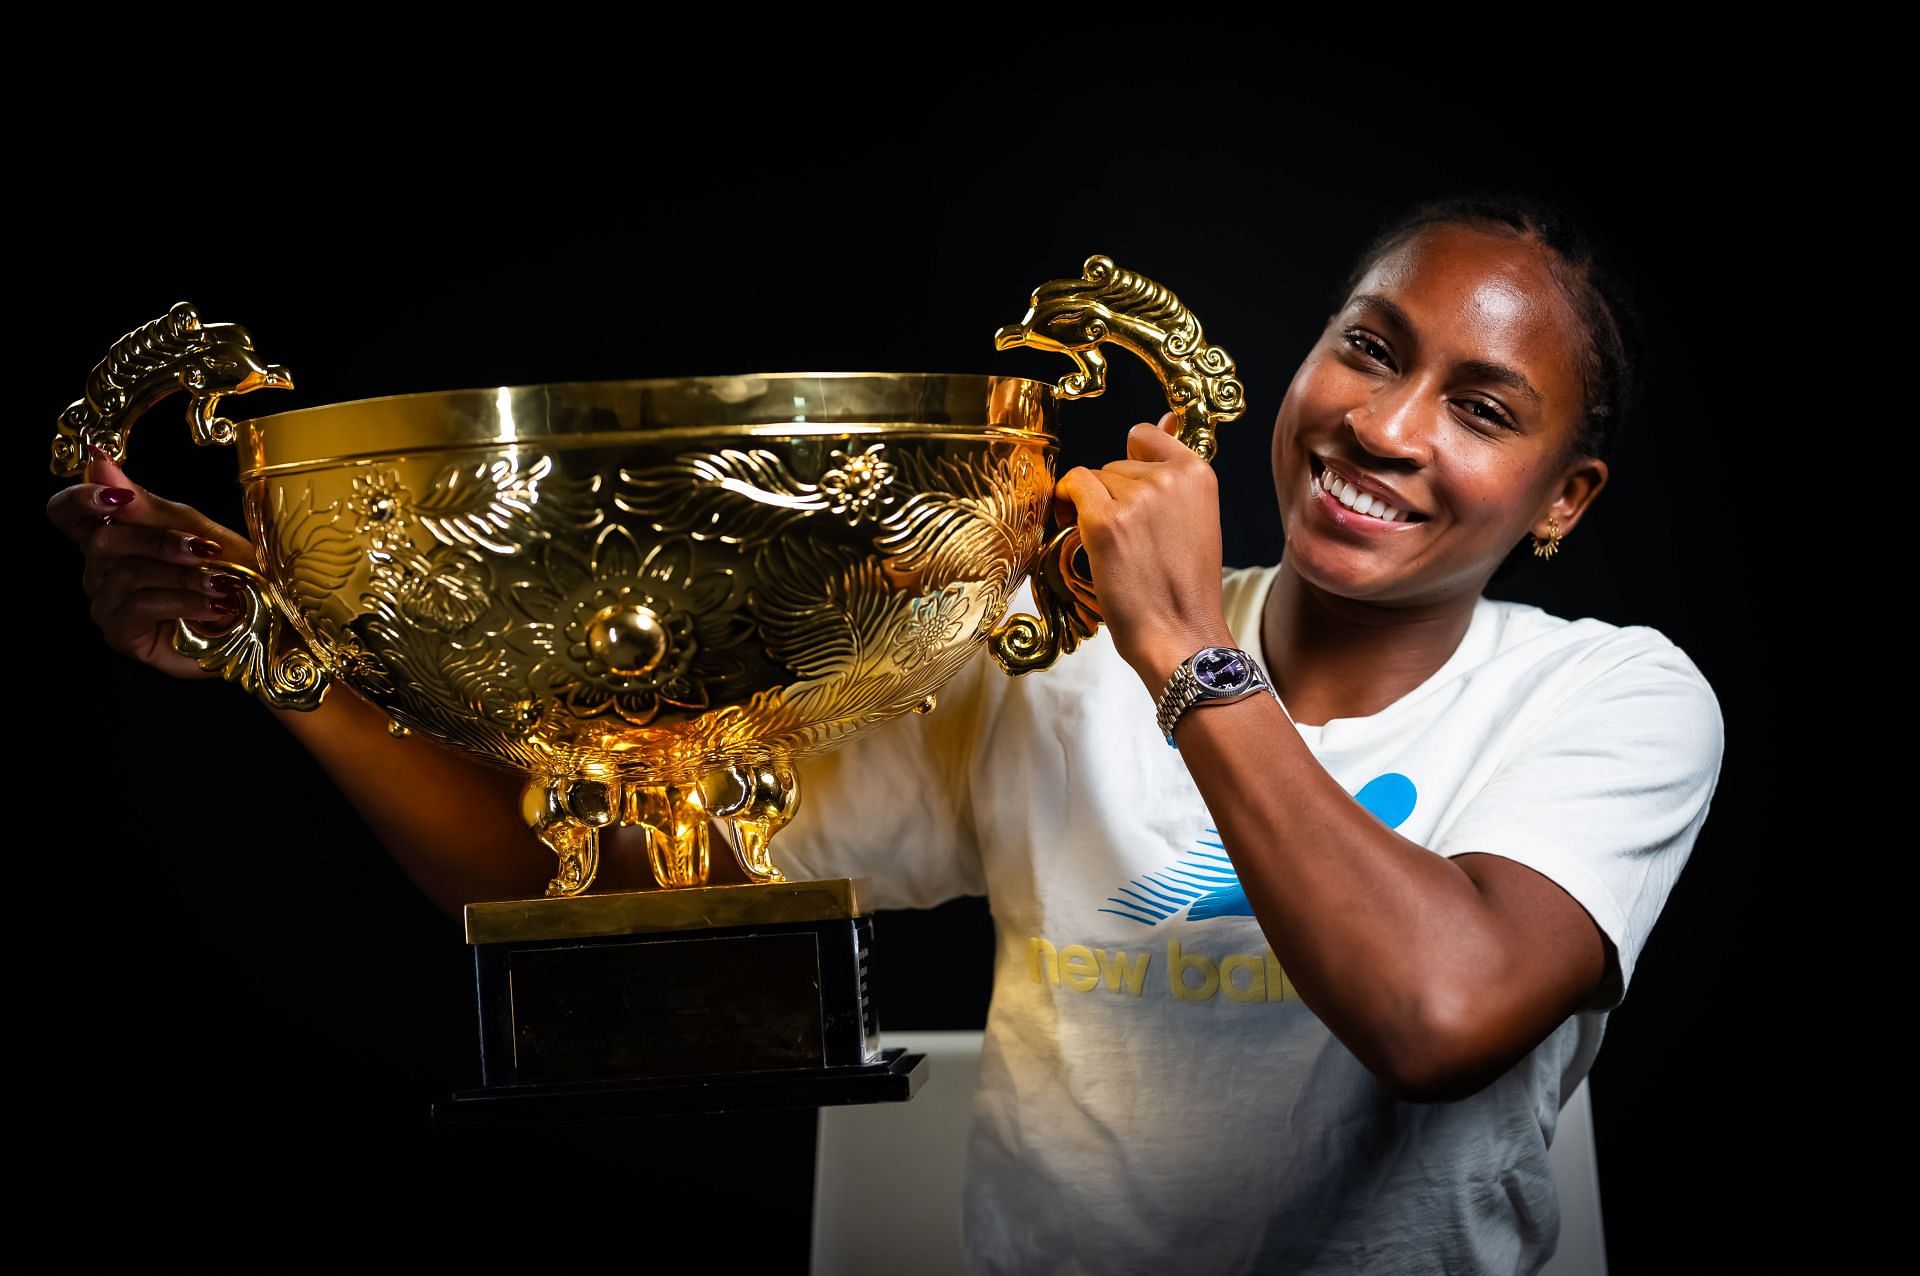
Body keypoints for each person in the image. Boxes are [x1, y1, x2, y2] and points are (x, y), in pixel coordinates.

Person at [50, 191, 1725, 1274]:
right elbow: (589, 889)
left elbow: (1437, 1014)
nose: (1385, 425)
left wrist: (1185, 653)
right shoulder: (1046, 659)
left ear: (1565, 500)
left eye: (1483, 409)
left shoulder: (1610, 699)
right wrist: (289, 665)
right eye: (1370, 347)